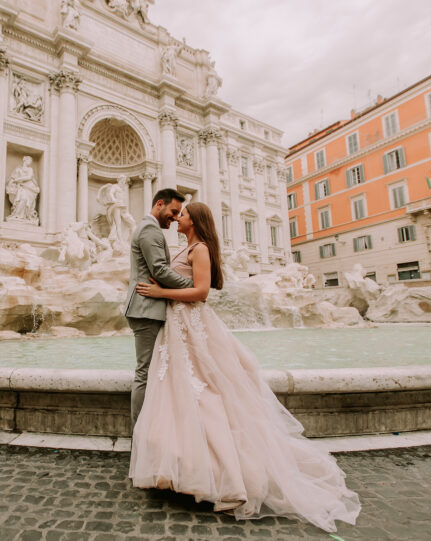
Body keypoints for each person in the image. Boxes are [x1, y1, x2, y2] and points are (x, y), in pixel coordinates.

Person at [129, 202, 361, 533]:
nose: (177, 218)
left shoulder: (201, 249)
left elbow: (201, 293)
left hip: (192, 326)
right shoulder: (189, 247)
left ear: (194, 221)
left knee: (205, 394)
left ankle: (223, 477)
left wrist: (160, 291)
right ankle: (183, 468)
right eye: (176, 213)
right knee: (181, 394)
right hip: (178, 328)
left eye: (183, 215)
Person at [123, 188, 193, 428]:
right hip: (146, 308)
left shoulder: (147, 228)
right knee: (145, 373)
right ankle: (140, 433)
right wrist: (192, 286)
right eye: (173, 211)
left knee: (151, 371)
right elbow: (159, 270)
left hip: (147, 308)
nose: (174, 218)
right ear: (159, 204)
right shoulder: (150, 229)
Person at [6, 156, 40, 223]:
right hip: (20, 187)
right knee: (20, 199)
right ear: (25, 160)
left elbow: (29, 177)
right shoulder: (18, 169)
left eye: (31, 161)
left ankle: (25, 216)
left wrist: (18, 179)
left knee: (24, 199)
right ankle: (17, 215)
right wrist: (11, 183)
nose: (30, 162)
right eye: (29, 161)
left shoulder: (30, 169)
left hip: (29, 187)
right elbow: (12, 178)